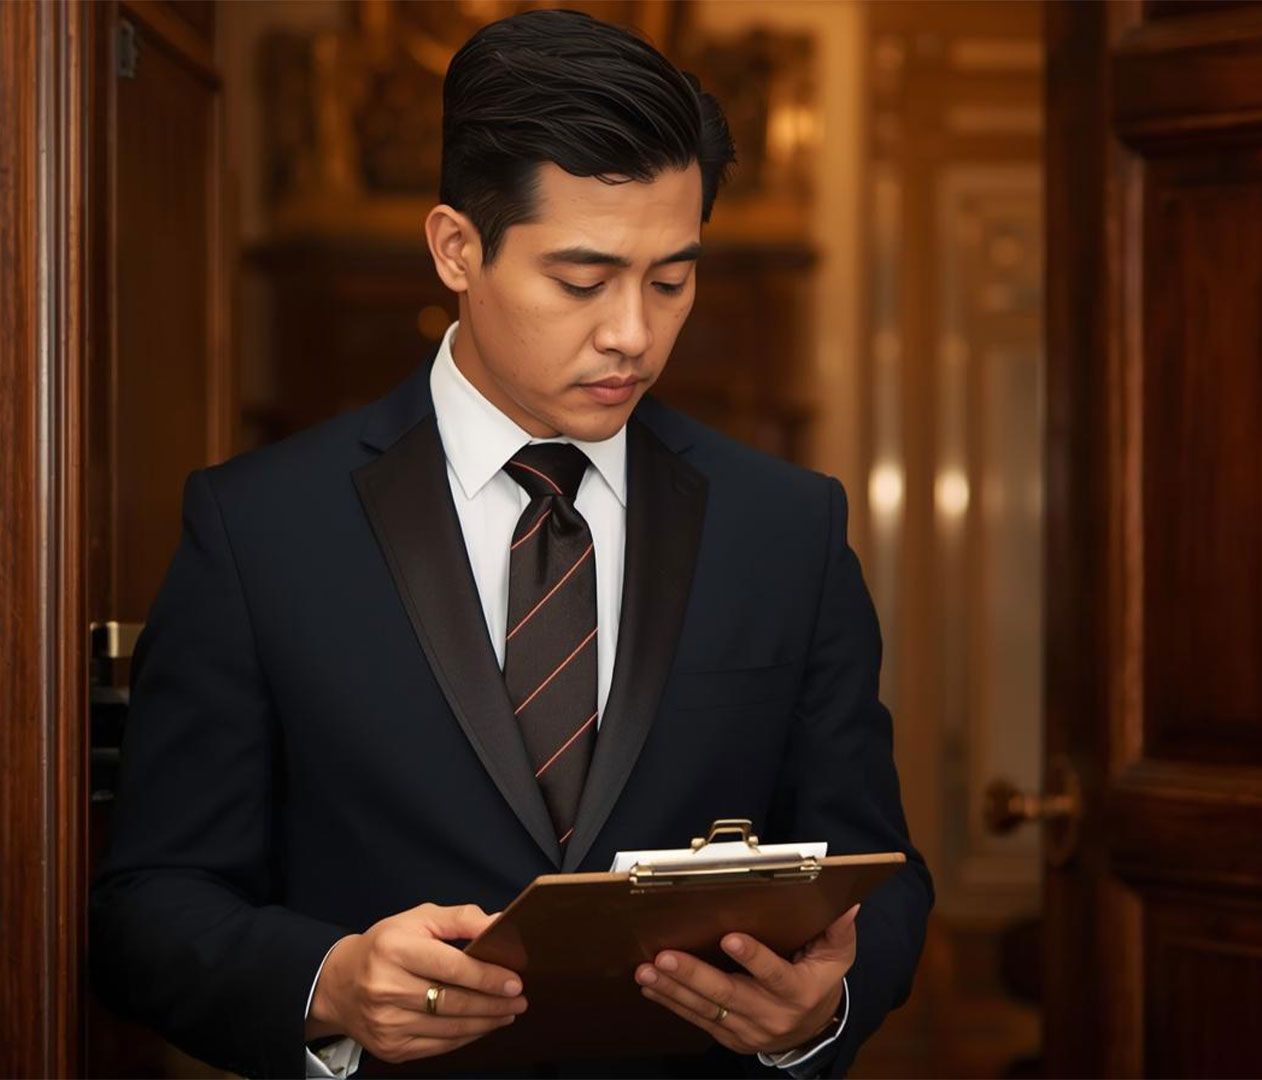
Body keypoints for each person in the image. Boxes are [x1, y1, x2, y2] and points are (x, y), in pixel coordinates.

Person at [88, 9, 932, 1078]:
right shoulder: (257, 528)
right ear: (455, 247)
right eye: (582, 282)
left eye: (670, 280)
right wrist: (326, 983)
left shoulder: (787, 526)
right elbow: (146, 905)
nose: (632, 331)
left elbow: (883, 867)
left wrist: (820, 1010)